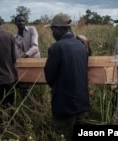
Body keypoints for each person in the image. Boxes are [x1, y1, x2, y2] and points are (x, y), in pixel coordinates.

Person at [44, 12, 90, 141]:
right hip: (82, 103)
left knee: (61, 136)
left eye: (53, 29)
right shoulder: (81, 46)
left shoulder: (56, 48)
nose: (52, 33)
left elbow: (50, 78)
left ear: (59, 29)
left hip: (65, 105)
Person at [14, 14, 41, 97]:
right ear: (16, 23)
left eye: (23, 21)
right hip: (24, 61)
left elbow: (35, 47)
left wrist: (25, 56)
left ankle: (31, 97)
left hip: (35, 60)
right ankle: (27, 98)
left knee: (31, 81)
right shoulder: (15, 37)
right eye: (19, 21)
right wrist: (21, 58)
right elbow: (17, 53)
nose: (21, 23)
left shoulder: (32, 29)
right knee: (24, 83)